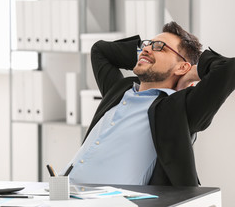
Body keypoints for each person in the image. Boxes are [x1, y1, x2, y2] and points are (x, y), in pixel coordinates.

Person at [65, 21, 235, 186]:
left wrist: (192, 73)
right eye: (147, 44)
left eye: (159, 46)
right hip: (61, 192)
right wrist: (145, 56)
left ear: (182, 67)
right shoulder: (119, 90)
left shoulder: (178, 110)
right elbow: (100, 50)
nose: (146, 49)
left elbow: (229, 68)